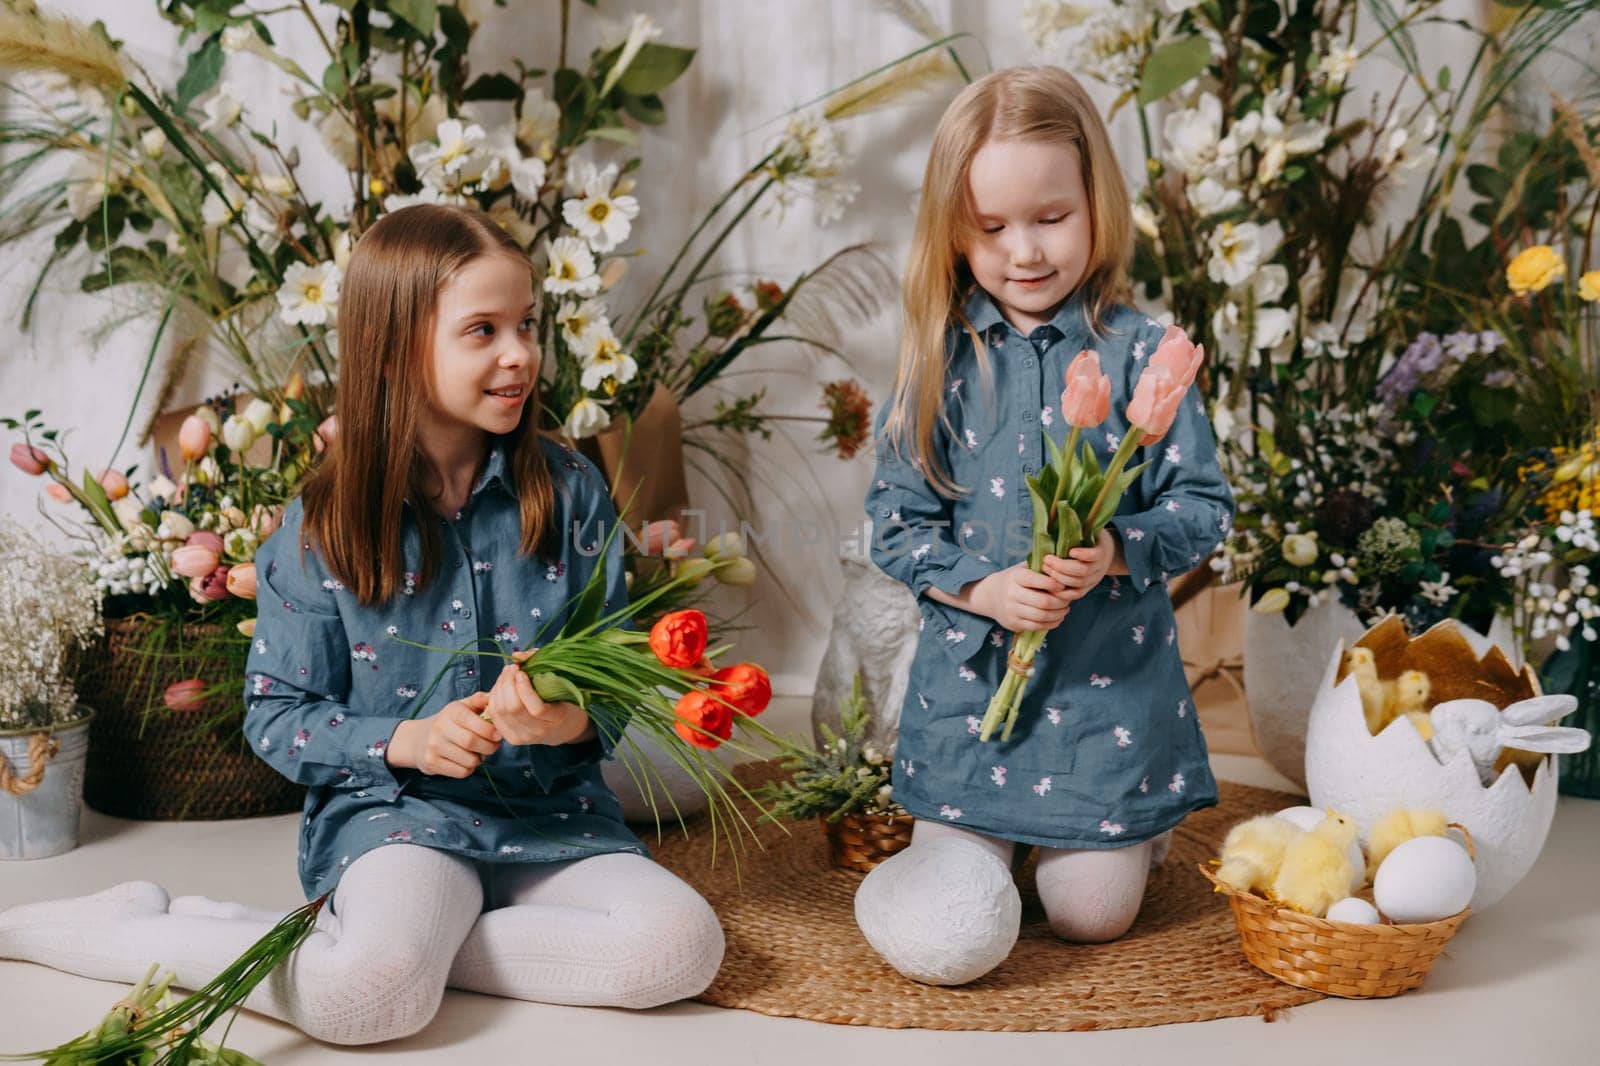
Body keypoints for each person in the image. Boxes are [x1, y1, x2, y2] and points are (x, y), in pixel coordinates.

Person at [0, 204, 724, 1042]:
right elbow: (275, 717)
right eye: (482, 331)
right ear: (397, 347)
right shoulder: (321, 526)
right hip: (398, 815)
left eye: (528, 324)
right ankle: (126, 931)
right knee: (367, 1002)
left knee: (681, 949)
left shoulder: (571, 491)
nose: (520, 354)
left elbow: (616, 676)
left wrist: (568, 723)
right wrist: (407, 742)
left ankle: (383, 945)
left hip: (550, 813)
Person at [857, 67, 1235, 985]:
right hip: (973, 704)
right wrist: (982, 588)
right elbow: (894, 525)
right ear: (955, 228)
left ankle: (1115, 835)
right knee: (954, 906)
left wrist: (1114, 551)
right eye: (991, 228)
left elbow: (1203, 509)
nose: (1024, 251)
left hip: (1104, 699)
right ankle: (964, 851)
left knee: (1090, 919)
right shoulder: (936, 361)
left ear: (1096, 204)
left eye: (1051, 218)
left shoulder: (1147, 353)